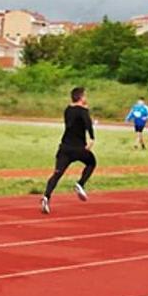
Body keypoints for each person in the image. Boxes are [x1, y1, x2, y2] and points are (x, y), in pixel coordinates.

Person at [41, 87, 96, 215]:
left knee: (57, 174)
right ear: (81, 98)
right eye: (85, 96)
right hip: (78, 148)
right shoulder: (83, 111)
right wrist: (92, 139)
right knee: (92, 162)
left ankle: (46, 196)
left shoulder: (67, 110)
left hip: (64, 147)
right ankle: (80, 183)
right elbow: (88, 125)